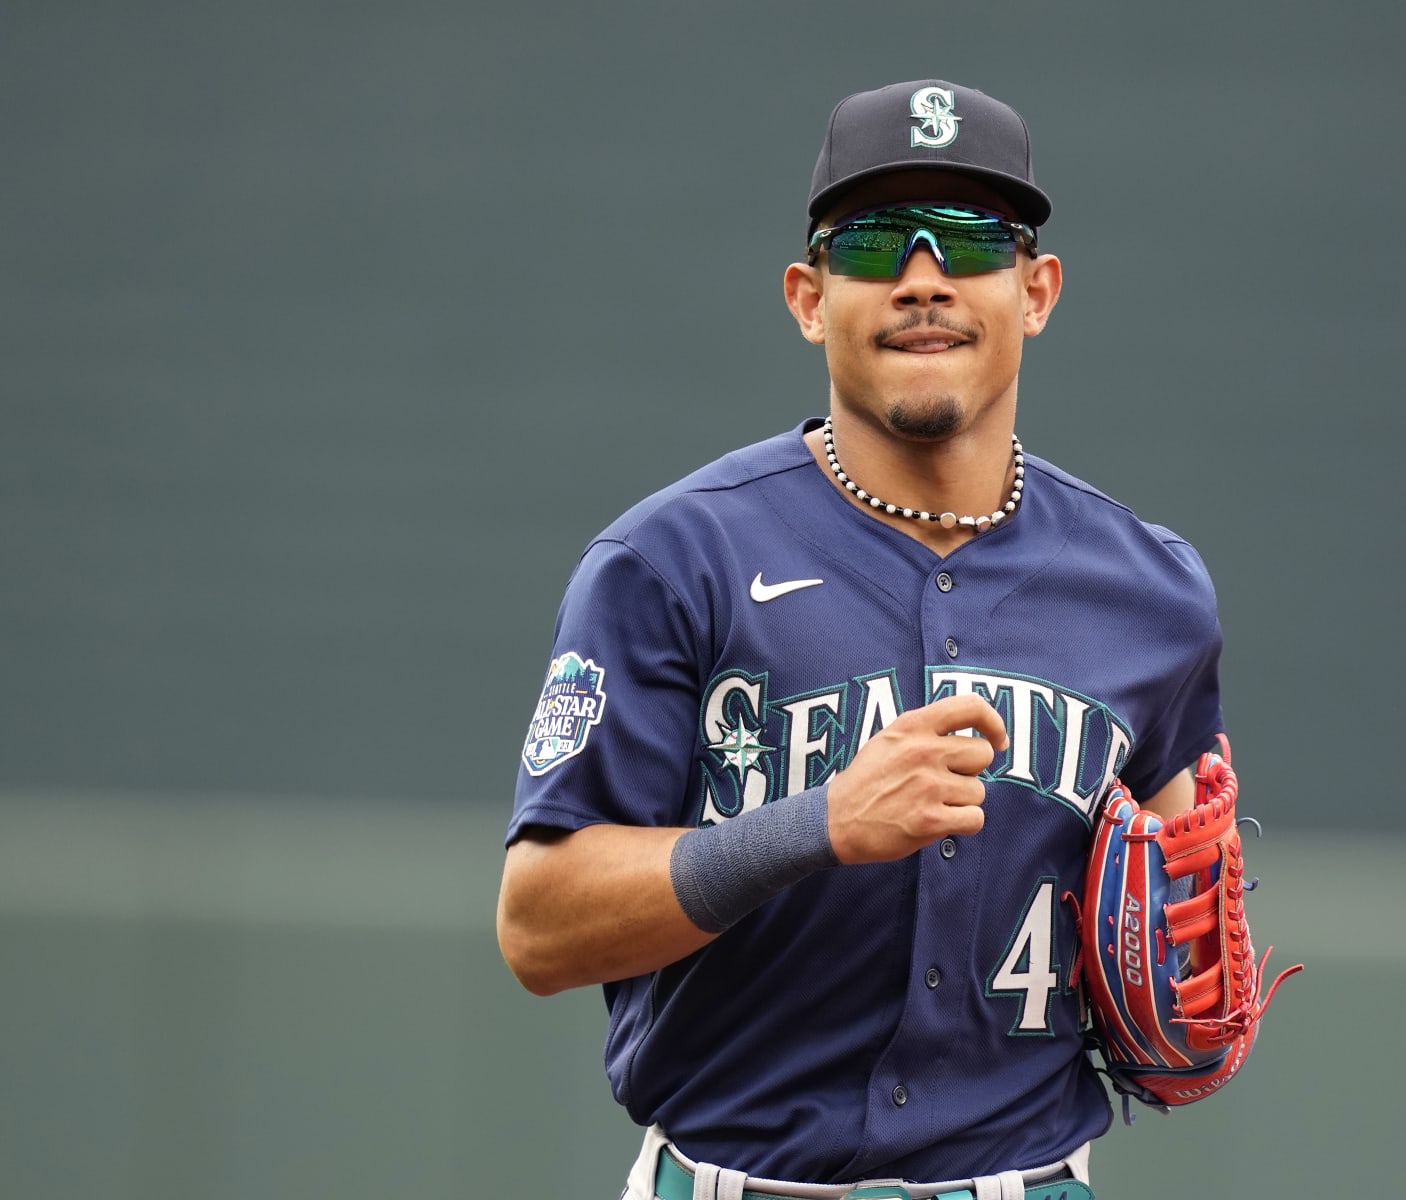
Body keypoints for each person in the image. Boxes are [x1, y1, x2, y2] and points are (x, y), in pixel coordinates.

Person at [497, 80, 1231, 1200]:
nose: (924, 277)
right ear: (808, 296)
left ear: (1036, 291)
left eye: (973, 242)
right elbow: (539, 928)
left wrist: (1176, 954)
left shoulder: (1151, 591)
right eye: (878, 241)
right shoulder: (670, 563)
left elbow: (1175, 895)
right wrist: (818, 824)